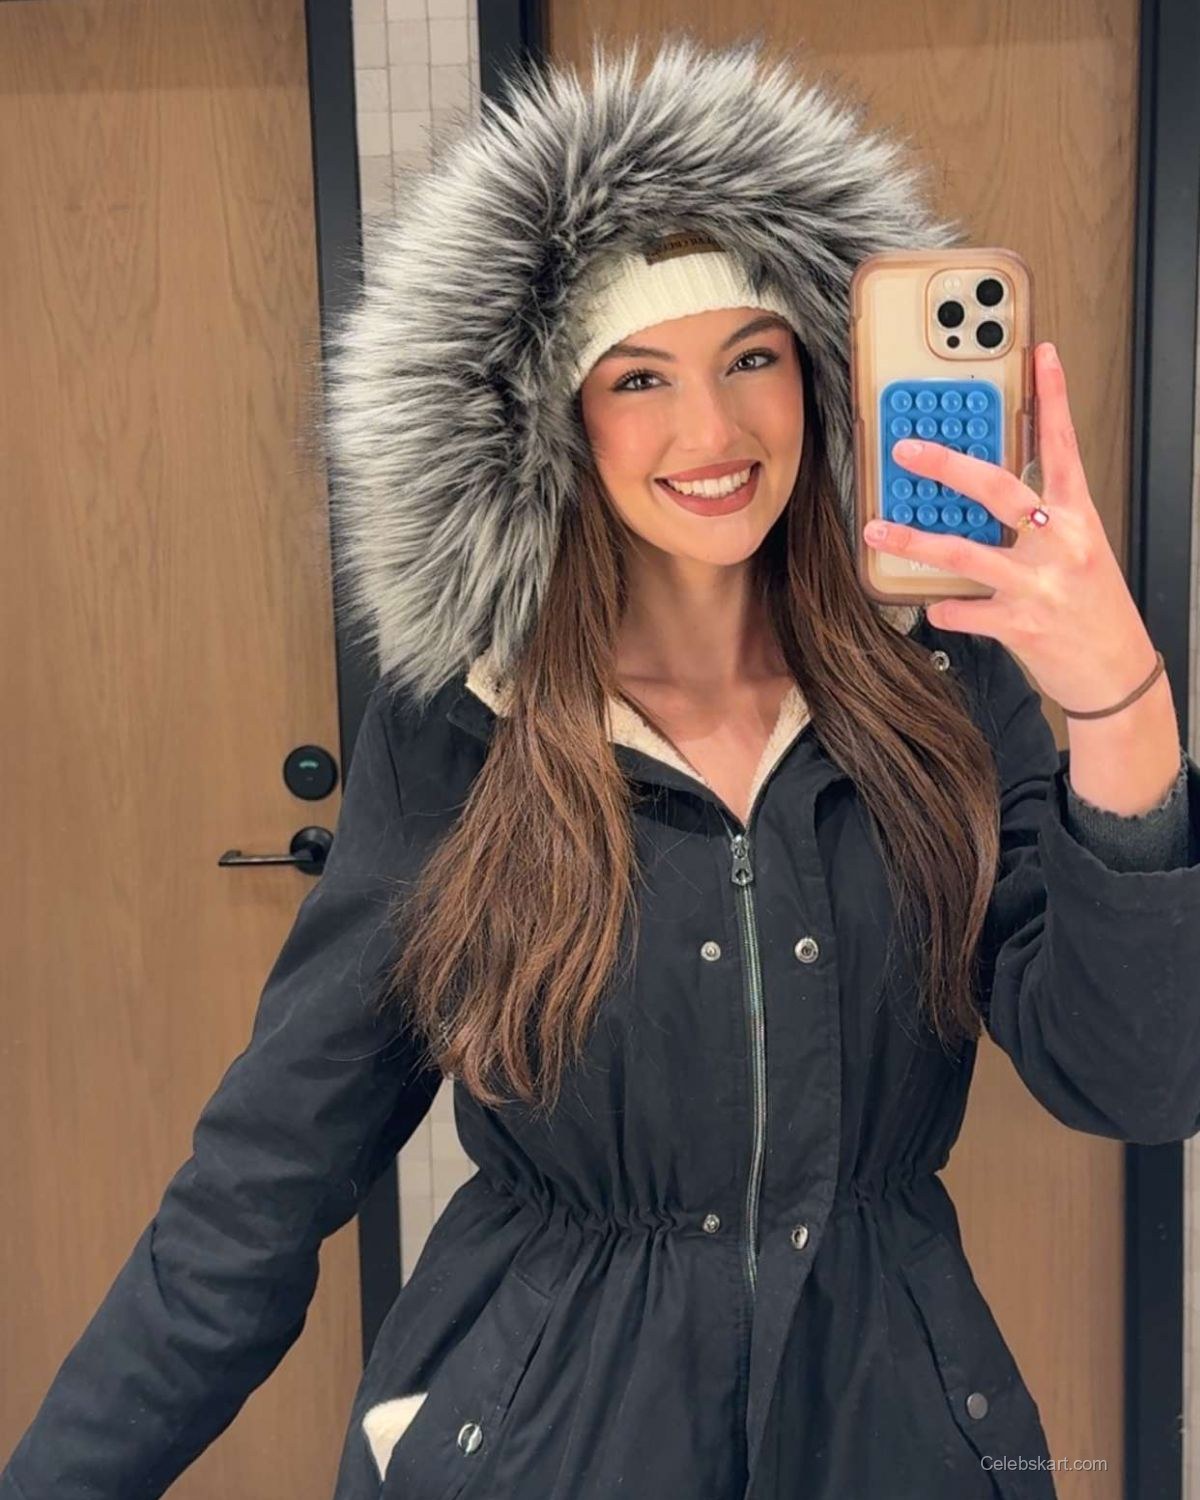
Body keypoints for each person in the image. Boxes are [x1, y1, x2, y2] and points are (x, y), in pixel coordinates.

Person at [4, 31, 1197, 1500]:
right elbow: (260, 1186)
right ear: (550, 422)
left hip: (889, 1428)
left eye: (753, 356)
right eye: (639, 377)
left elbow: (1136, 1082)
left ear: (821, 376)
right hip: (545, 1437)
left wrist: (1119, 706)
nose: (713, 430)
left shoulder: (944, 692)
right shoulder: (465, 733)